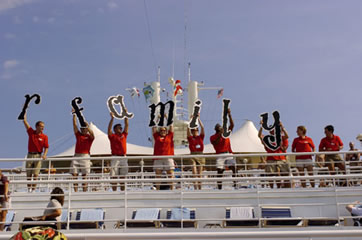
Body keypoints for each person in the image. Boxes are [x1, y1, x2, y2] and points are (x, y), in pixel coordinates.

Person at [258, 121, 290, 188]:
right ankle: (272, 188)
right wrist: (261, 126)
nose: (272, 130)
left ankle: (279, 187)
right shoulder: (267, 138)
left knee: (284, 174)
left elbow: (287, 136)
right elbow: (259, 135)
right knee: (270, 175)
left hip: (281, 158)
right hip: (271, 159)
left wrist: (282, 127)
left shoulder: (280, 137)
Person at [210, 109, 236, 190]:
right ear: (215, 129)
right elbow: (215, 143)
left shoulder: (225, 133)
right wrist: (220, 134)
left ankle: (235, 184)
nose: (220, 127)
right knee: (220, 171)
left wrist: (229, 115)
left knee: (234, 168)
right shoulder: (213, 137)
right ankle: (219, 187)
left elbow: (232, 125)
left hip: (228, 153)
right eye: (218, 127)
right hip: (220, 154)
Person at [22, 113, 49, 192]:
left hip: (38, 155)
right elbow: (24, 121)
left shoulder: (44, 136)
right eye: (41, 126)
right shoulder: (31, 132)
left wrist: (44, 155)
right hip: (30, 155)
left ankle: (33, 190)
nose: (42, 128)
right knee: (29, 174)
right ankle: (29, 189)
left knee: (36, 174)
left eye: (43, 127)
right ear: (37, 126)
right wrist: (25, 109)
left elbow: (46, 147)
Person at [71, 112, 94, 192]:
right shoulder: (79, 135)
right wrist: (74, 114)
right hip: (76, 155)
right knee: (74, 174)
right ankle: (75, 191)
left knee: (84, 175)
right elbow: (74, 125)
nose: (83, 130)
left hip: (85, 156)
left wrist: (88, 127)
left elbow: (92, 134)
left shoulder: (89, 137)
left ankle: (84, 191)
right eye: (82, 128)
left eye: (85, 128)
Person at [108, 112, 129, 191]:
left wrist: (125, 114)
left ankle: (123, 192)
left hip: (123, 157)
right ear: (115, 129)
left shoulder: (124, 135)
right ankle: (114, 192)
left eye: (121, 127)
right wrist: (112, 119)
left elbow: (126, 124)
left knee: (123, 177)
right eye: (118, 127)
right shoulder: (112, 136)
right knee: (114, 176)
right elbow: (109, 129)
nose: (120, 128)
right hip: (115, 157)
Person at [152, 119, 174, 190]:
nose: (163, 131)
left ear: (166, 131)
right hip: (158, 158)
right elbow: (154, 128)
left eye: (164, 130)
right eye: (161, 130)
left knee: (170, 174)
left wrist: (167, 118)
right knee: (158, 176)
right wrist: (158, 119)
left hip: (168, 157)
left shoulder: (169, 136)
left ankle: (172, 189)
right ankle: (157, 190)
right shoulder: (156, 137)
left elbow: (171, 126)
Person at [187, 114, 205, 190]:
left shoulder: (201, 137)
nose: (195, 131)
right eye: (193, 130)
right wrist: (190, 120)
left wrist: (198, 119)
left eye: (196, 130)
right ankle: (195, 188)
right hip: (193, 155)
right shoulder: (190, 138)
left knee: (200, 173)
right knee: (194, 172)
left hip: (200, 154)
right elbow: (187, 129)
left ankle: (200, 188)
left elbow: (202, 127)